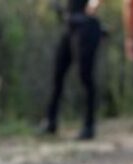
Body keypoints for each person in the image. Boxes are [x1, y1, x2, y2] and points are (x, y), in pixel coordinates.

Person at [41, 0, 104, 141]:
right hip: (70, 25)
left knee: (85, 77)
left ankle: (89, 126)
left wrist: (95, 3)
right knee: (58, 73)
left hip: (87, 26)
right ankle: (50, 121)